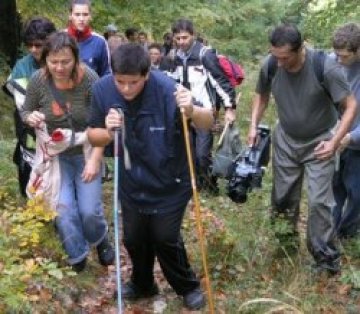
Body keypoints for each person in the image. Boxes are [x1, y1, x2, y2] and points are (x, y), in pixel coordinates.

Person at [87, 43, 213, 310]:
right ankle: (143, 283)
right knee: (133, 238)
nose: (126, 89)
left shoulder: (169, 90)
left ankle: (187, 286)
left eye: (133, 82)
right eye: (120, 82)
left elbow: (208, 121)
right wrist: (109, 132)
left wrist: (191, 110)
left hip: (170, 179)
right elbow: (92, 136)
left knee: (164, 237)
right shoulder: (101, 90)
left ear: (147, 74)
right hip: (132, 180)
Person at [247, 24, 356, 275]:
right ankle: (285, 244)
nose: (280, 62)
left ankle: (325, 258)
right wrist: (252, 125)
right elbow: (260, 95)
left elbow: (350, 106)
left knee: (319, 202)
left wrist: (335, 141)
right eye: (276, 56)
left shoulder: (325, 66)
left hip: (320, 141)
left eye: (285, 57)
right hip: (286, 139)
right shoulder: (271, 65)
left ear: (300, 49)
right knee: (282, 197)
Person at [20, 31, 114, 272]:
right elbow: (25, 111)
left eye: (65, 61)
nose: (59, 67)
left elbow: (103, 122)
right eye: (53, 62)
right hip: (55, 155)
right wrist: (31, 117)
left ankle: (99, 237)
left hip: (86, 150)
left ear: (75, 58)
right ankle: (78, 256)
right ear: (45, 60)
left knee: (89, 211)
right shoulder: (39, 80)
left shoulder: (89, 78)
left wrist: (95, 160)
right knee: (62, 210)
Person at [171, 18, 236, 193]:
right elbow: (173, 82)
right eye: (177, 38)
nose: (181, 42)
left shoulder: (205, 54)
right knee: (188, 151)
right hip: (184, 109)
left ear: (193, 35)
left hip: (205, 110)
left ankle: (210, 184)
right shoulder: (175, 56)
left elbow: (221, 82)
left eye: (184, 37)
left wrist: (230, 107)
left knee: (201, 153)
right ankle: (195, 185)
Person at [4, 17, 56, 197]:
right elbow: (23, 104)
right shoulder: (22, 67)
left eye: (38, 44)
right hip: (30, 133)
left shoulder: (62, 61)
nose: (33, 49)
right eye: (29, 45)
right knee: (30, 182)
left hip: (60, 135)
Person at [332, 22, 360, 238]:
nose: (339, 60)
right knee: (334, 189)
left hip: (356, 143)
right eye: (337, 55)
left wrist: (350, 137)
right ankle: (330, 233)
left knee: (356, 193)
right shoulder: (332, 63)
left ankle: (347, 233)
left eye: (344, 56)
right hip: (334, 139)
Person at [67, 0, 111, 77]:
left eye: (85, 14)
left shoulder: (99, 42)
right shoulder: (58, 38)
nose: (81, 19)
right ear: (70, 16)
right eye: (77, 14)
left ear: (90, 16)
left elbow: (106, 74)